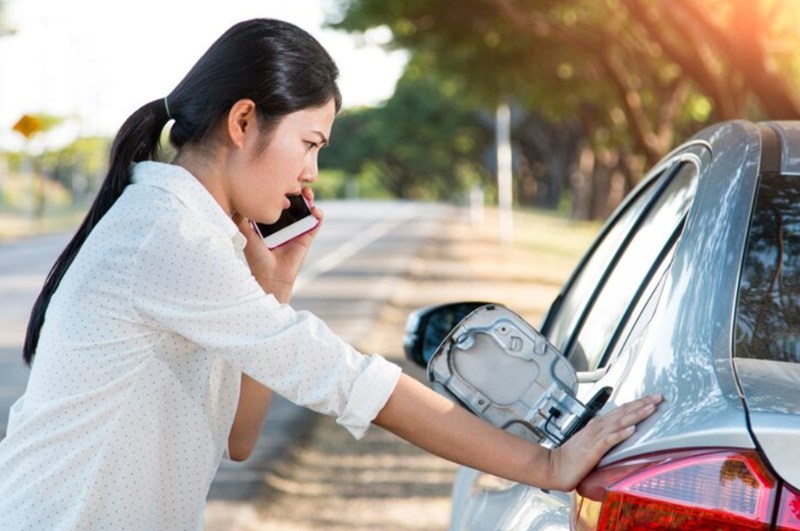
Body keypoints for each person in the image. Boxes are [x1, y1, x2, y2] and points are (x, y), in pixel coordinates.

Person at [0, 18, 662, 530]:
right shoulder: (169, 235)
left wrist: (276, 287)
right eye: (310, 144)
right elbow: (349, 379)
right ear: (242, 121)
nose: (310, 174)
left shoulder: (194, 234)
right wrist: (546, 463)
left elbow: (237, 438)